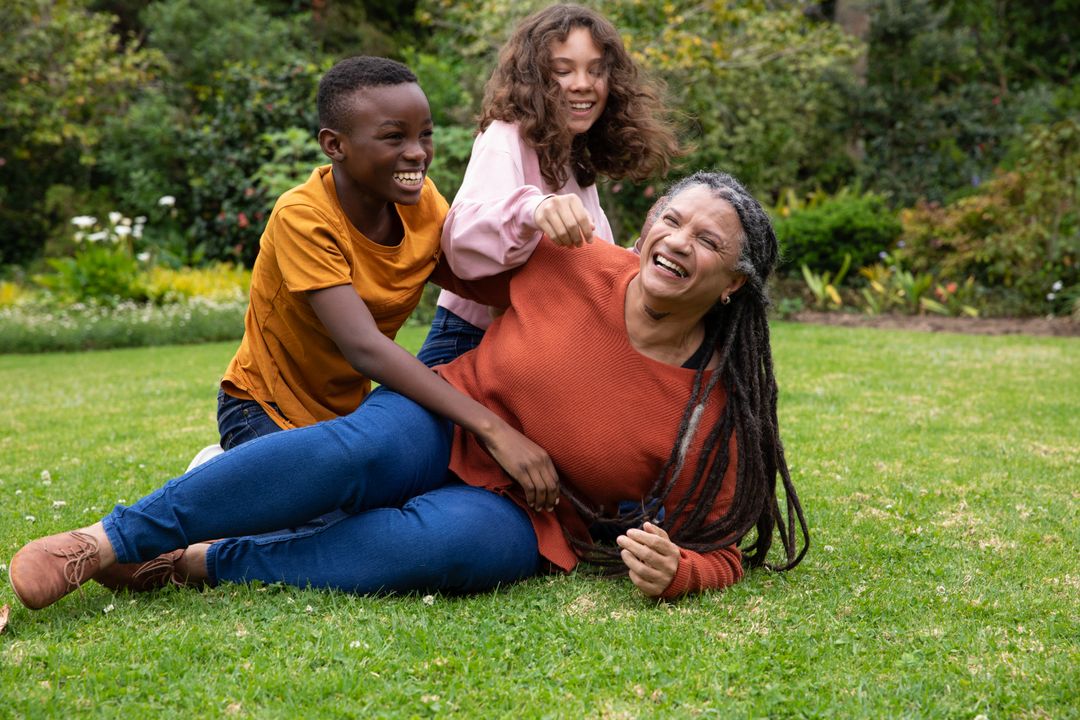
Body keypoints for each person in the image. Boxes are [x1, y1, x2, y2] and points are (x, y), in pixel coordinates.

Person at [9, 172, 809, 611]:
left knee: (436, 549)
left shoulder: (717, 407)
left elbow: (721, 550)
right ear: (645, 224)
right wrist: (532, 205)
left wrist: (678, 573)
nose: (678, 243)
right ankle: (105, 542)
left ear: (735, 285)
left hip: (529, 514)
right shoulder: (575, 261)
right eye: (672, 220)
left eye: (708, 241)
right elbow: (458, 240)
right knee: (353, 453)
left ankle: (197, 561)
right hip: (446, 415)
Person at [208, 55, 535, 463]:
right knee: (318, 519)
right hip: (262, 411)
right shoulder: (304, 218)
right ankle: (217, 471)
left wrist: (574, 287)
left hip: (348, 417)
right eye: (394, 137)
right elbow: (363, 347)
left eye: (425, 135)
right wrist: (491, 427)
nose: (418, 153)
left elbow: (474, 279)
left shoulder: (421, 203)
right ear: (335, 145)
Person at [416, 3, 678, 367]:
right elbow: (461, 240)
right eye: (562, 70)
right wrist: (533, 209)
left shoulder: (573, 156)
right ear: (534, 79)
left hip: (536, 346)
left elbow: (587, 263)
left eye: (596, 71)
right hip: (469, 340)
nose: (583, 84)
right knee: (405, 422)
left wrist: (644, 252)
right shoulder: (505, 137)